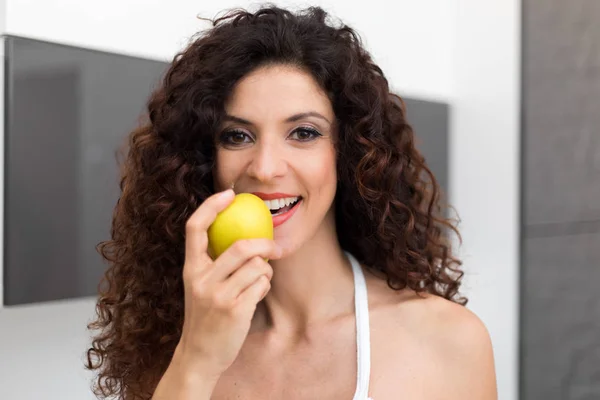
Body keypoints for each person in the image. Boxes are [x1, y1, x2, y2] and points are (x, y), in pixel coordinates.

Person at [86, 5, 497, 400]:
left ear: (349, 152)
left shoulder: (448, 341)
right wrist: (197, 358)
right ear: (204, 160)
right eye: (237, 136)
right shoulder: (174, 350)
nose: (264, 169)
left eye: (303, 133)